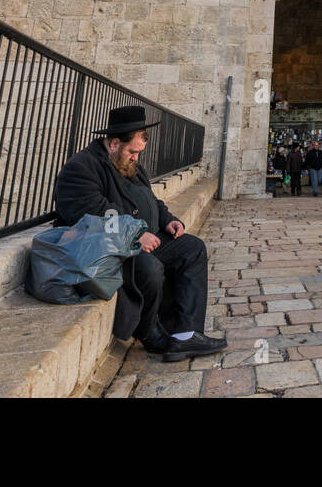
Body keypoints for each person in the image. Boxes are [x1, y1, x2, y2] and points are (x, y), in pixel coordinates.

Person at [53, 105, 226, 360]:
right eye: (132, 151)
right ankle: (150, 333)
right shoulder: (82, 167)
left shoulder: (130, 164)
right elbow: (94, 216)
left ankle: (185, 335)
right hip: (108, 250)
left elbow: (151, 200)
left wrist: (168, 220)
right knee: (149, 269)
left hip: (144, 238)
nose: (136, 157)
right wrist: (135, 235)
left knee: (192, 248)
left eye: (138, 152)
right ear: (113, 144)